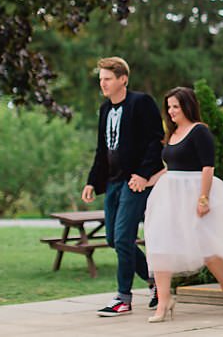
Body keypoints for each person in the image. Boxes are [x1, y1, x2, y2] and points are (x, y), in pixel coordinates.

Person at [143, 86, 223, 323]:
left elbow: (208, 167)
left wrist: (203, 198)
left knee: (206, 248)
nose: (171, 111)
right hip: (169, 195)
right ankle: (163, 303)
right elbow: (169, 168)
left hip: (195, 192)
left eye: (175, 106)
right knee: (160, 246)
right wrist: (147, 181)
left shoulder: (199, 132)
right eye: (169, 107)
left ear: (187, 106)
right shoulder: (172, 134)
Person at [82, 57, 164, 317]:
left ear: (123, 79)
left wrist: (143, 174)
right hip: (113, 182)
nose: (102, 84)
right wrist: (92, 182)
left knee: (123, 238)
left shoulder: (141, 103)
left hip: (135, 182)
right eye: (101, 80)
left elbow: (155, 141)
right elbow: (102, 149)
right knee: (113, 239)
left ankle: (123, 298)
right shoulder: (105, 109)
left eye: (107, 79)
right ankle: (154, 282)